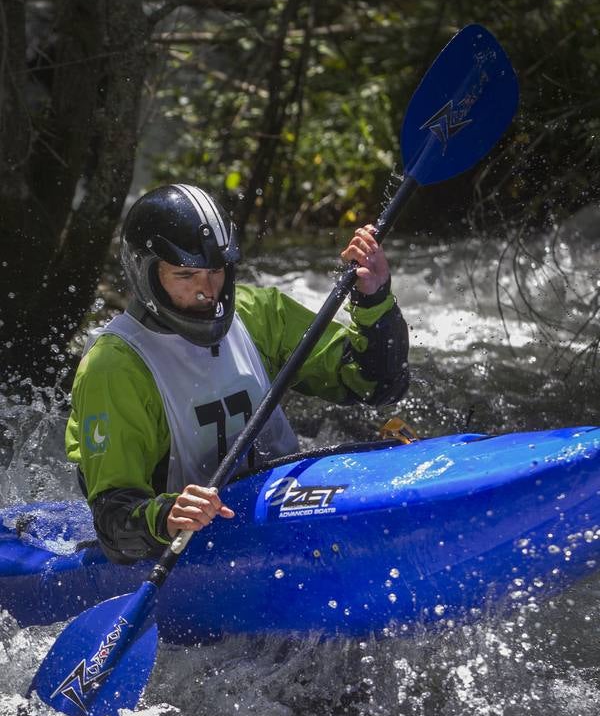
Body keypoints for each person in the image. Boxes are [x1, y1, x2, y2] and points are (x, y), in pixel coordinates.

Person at [65, 184, 410, 564]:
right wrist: (165, 516)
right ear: (146, 274)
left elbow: (376, 384)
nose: (207, 291)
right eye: (185, 275)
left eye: (215, 272)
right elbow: (116, 522)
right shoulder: (114, 367)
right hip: (194, 545)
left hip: (282, 511)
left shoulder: (257, 314)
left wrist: (374, 296)